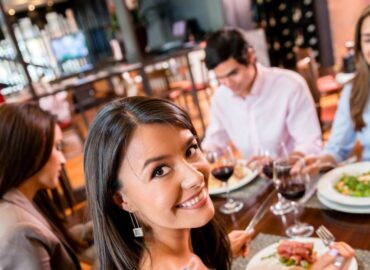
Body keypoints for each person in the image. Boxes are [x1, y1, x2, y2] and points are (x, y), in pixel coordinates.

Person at [83, 96, 353, 270]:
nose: (195, 176)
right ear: (122, 199)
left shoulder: (179, 252)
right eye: (159, 170)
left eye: (190, 149)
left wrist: (222, 254)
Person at [202, 28, 322, 159]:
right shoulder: (221, 98)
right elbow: (213, 143)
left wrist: (279, 166)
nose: (228, 83)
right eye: (220, 77)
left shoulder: (290, 86)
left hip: (293, 174)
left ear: (250, 56)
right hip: (253, 177)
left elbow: (310, 144)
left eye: (233, 73)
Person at [0, 103, 93, 269]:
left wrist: (95, 229)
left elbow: (50, 241)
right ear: (30, 151)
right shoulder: (20, 232)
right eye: (57, 147)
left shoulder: (17, 200)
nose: (63, 160)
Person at [302, 5, 370, 174]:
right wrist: (320, 161)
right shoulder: (354, 90)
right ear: (360, 46)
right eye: (368, 39)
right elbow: (337, 148)